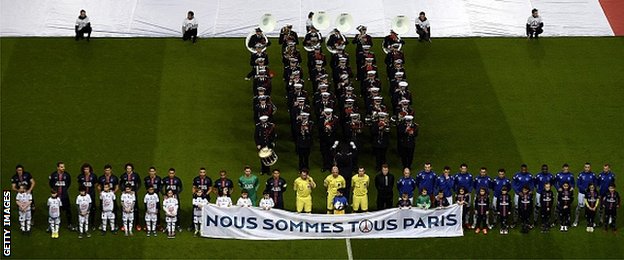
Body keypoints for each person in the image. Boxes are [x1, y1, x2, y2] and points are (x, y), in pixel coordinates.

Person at [49, 161, 73, 230]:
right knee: (53, 210)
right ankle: (51, 225)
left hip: (64, 196)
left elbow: (68, 184)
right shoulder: (53, 175)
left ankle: (69, 224)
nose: (63, 168)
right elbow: (51, 184)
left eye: (63, 167)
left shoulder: (67, 175)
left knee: (68, 210)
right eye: (61, 167)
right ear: (58, 168)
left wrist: (64, 190)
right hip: (55, 197)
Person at [120, 163, 141, 231]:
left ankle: (137, 224)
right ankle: (124, 224)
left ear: (132, 169)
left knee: (135, 208)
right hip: (125, 195)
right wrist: (123, 190)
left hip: (133, 194)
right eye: (127, 168)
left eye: (130, 168)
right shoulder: (123, 176)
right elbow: (120, 184)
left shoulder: (136, 175)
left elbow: (139, 183)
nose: (128, 170)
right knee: (124, 208)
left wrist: (135, 190)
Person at [77, 163, 98, 231]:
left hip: (91, 195)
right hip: (83, 197)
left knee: (92, 210)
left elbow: (95, 184)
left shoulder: (93, 176)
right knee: (81, 209)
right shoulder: (80, 176)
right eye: (85, 169)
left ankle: (92, 224)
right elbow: (80, 185)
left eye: (87, 169)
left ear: (90, 169)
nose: (86, 170)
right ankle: (81, 224)